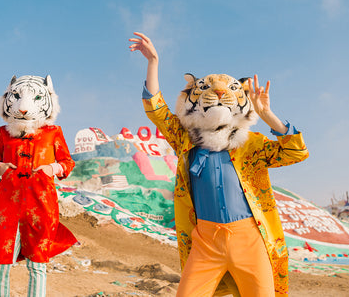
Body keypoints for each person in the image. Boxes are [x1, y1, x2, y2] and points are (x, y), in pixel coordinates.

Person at [129, 32, 309, 296]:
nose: (219, 92)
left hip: (250, 239)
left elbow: (296, 152)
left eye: (229, 90)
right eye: (206, 89)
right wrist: (153, 61)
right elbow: (157, 110)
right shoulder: (185, 139)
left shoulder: (250, 144)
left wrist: (268, 115)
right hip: (205, 242)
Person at [0, 75, 77, 297]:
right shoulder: (3, 133)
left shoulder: (53, 132)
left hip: (41, 204)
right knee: (1, 261)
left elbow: (67, 162)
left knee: (37, 263)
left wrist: (50, 169)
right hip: (8, 205)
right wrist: (1, 168)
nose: (24, 109)